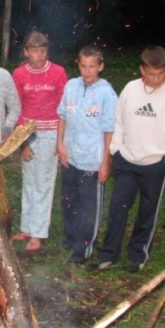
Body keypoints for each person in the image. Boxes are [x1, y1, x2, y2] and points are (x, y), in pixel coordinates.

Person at [90, 45, 165, 272]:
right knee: (118, 206)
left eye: (161, 74)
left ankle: (138, 255)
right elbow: (119, 120)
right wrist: (116, 148)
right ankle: (109, 254)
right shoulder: (130, 89)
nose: (156, 79)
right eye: (151, 74)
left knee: (148, 211)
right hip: (127, 160)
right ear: (142, 70)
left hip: (155, 164)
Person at [56, 45, 118, 265]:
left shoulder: (106, 93)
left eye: (92, 66)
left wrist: (105, 163)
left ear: (100, 66)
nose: (87, 71)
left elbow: (110, 130)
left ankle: (84, 247)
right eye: (83, 66)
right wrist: (60, 145)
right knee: (69, 200)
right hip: (70, 156)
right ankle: (71, 238)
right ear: (78, 65)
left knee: (88, 206)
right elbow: (63, 116)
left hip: (92, 160)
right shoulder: (72, 86)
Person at [12, 31, 67, 252]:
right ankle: (27, 227)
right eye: (34, 50)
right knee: (29, 181)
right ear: (26, 51)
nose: (39, 54)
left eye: (43, 50)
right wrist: (23, 144)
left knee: (43, 183)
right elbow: (17, 108)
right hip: (28, 132)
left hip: (50, 131)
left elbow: (63, 108)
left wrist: (60, 141)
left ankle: (38, 233)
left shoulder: (58, 72)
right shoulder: (19, 74)